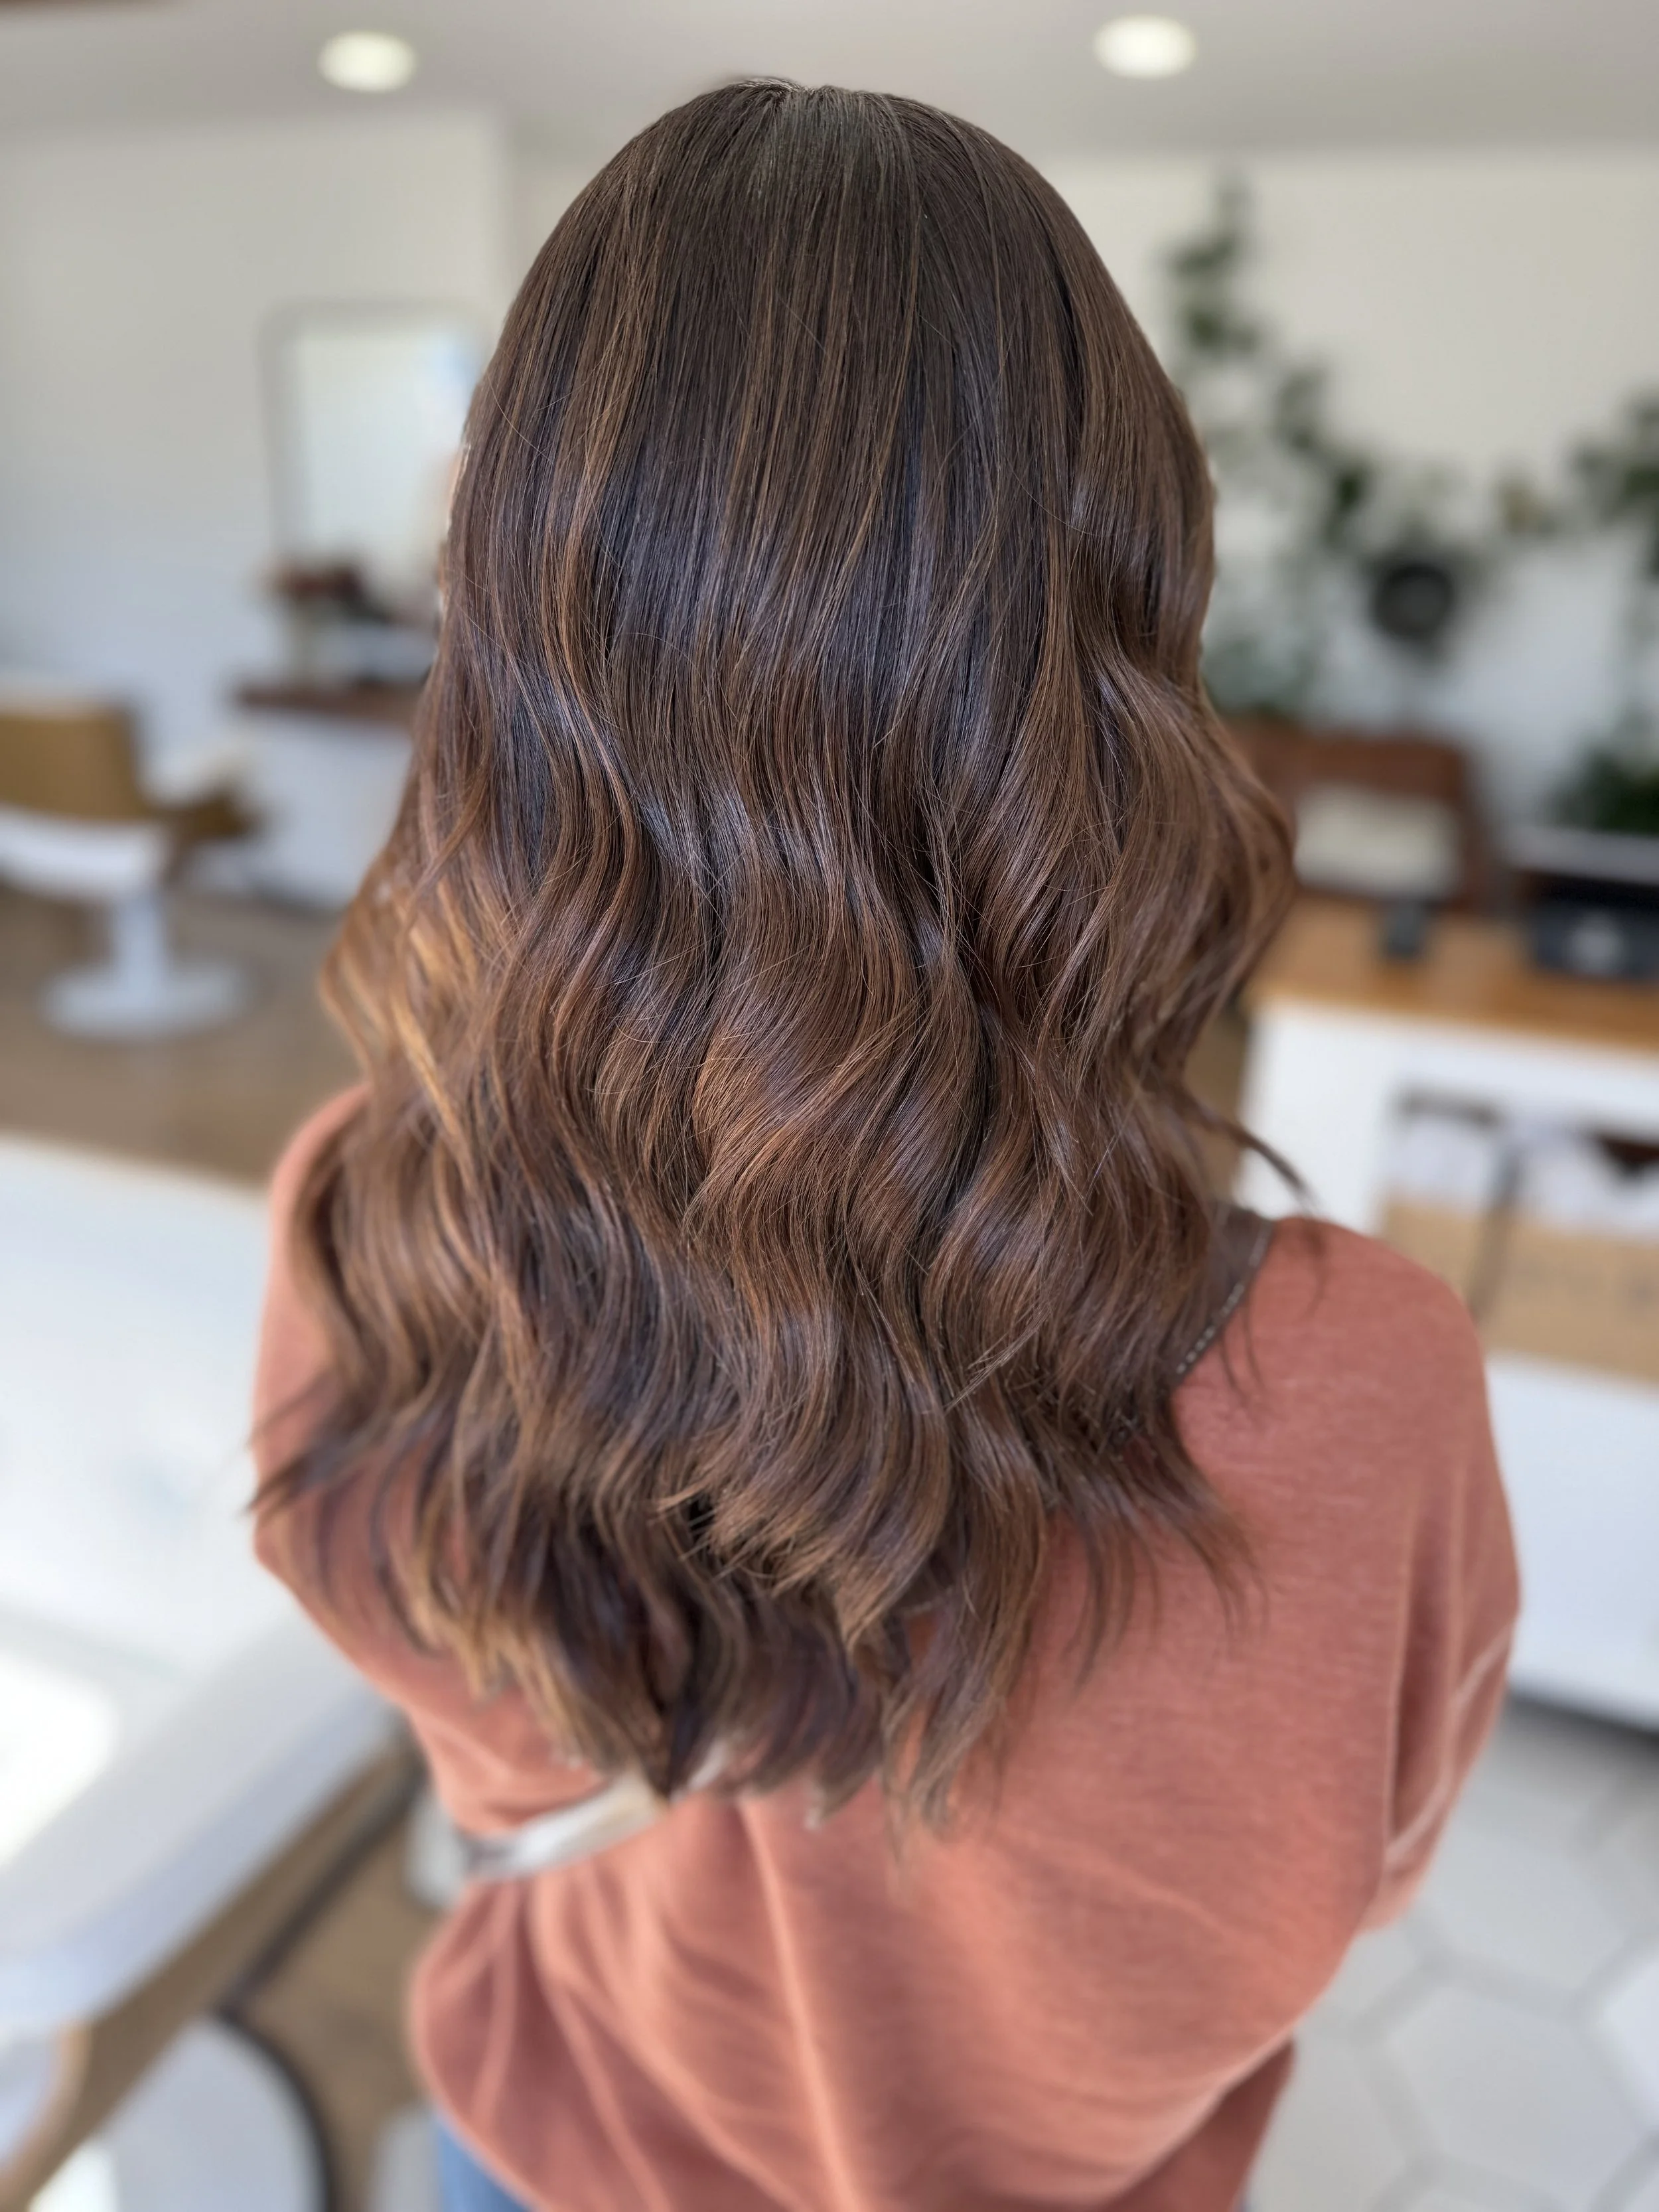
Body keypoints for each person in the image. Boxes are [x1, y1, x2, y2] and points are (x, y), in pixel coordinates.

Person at [252, 81, 1518, 2212]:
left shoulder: (376, 1214)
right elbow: (1344, 1893)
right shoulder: (1359, 1382)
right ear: (1113, 634)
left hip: (559, 2140)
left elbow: (494, 1758)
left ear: (521, 637)